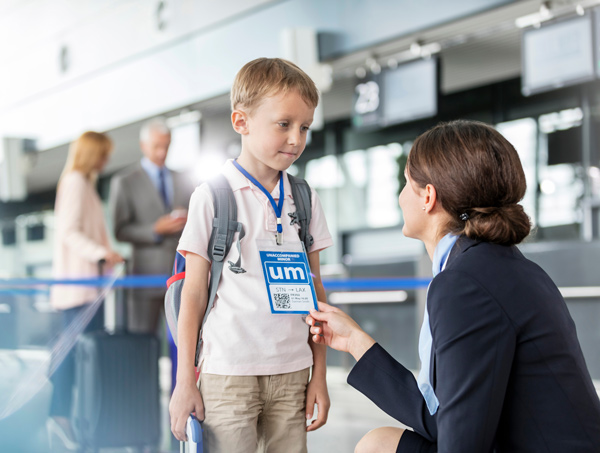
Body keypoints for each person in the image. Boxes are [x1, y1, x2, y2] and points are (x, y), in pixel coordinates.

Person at [306, 120, 600, 453]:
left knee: (377, 447)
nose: (401, 196)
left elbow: (460, 443)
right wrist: (356, 342)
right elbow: (444, 417)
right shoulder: (500, 266)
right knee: (380, 443)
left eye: (406, 185)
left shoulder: (465, 284)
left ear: (428, 196)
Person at [169, 57, 333, 452]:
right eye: (284, 124)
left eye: (305, 127)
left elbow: (315, 289)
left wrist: (320, 374)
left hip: (293, 370)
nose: (296, 139)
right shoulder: (212, 197)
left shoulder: (305, 198)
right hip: (228, 372)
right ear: (241, 122)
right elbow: (192, 294)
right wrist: (184, 381)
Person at [48, 131, 123, 450]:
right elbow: (69, 231)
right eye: (103, 154)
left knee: (80, 358)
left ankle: (67, 418)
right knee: (71, 358)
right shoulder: (76, 182)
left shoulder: (84, 182)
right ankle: (60, 417)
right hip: (78, 289)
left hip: (89, 288)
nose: (106, 161)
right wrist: (101, 254)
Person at [109, 117, 194, 334]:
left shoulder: (182, 178)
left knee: (183, 342)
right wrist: (155, 230)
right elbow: (120, 230)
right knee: (143, 344)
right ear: (143, 146)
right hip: (144, 278)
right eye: (157, 146)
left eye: (166, 146)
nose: (162, 153)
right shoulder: (125, 182)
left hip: (180, 276)